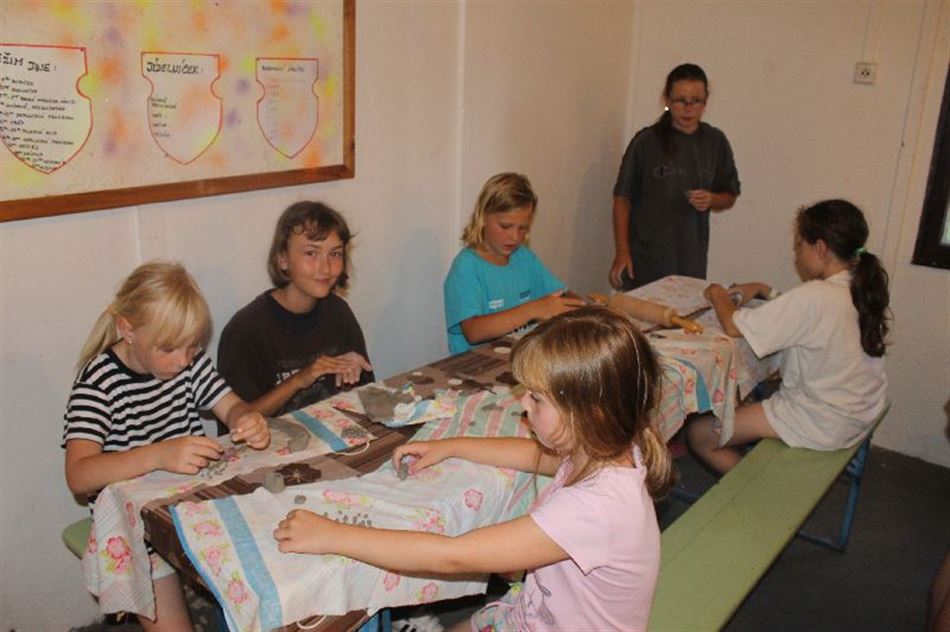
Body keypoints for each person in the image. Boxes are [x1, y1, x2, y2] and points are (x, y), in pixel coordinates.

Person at [274, 306, 675, 631]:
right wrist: (452, 446)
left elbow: (452, 556)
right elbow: (535, 456)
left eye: (537, 399)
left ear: (590, 413)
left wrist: (335, 534)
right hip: (534, 613)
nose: (523, 404)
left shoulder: (597, 507)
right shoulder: (607, 447)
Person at [62, 261, 271, 632]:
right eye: (169, 348)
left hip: (193, 505)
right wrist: (159, 454)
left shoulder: (187, 360)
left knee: (267, 564)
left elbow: (231, 405)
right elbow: (79, 476)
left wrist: (246, 419)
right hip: (138, 530)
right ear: (128, 330)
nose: (183, 360)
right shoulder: (98, 383)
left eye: (193, 346)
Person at [688, 199, 889, 474]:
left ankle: (753, 487)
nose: (796, 254)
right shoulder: (861, 286)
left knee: (700, 434)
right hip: (858, 411)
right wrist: (763, 289)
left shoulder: (815, 295)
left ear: (820, 248)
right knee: (747, 396)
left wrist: (717, 293)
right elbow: (808, 316)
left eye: (799, 245)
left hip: (820, 422)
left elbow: (734, 325)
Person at [218, 201, 374, 417]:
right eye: (311, 253)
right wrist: (301, 379)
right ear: (282, 259)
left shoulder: (338, 312)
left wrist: (354, 370)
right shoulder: (246, 331)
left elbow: (367, 397)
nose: (326, 268)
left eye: (335, 254)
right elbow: (237, 422)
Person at [610, 62, 741, 291]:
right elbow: (622, 199)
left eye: (696, 101)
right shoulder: (646, 141)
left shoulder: (715, 141)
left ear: (706, 101)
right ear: (668, 100)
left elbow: (729, 194)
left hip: (691, 263)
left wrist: (712, 199)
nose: (688, 109)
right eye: (681, 100)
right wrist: (622, 252)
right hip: (644, 262)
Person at [443, 172, 584, 355]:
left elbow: (560, 295)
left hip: (518, 357)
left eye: (523, 228)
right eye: (505, 226)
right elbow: (474, 332)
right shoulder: (466, 268)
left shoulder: (523, 257)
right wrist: (533, 309)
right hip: (475, 364)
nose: (515, 237)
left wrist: (588, 308)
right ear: (482, 217)